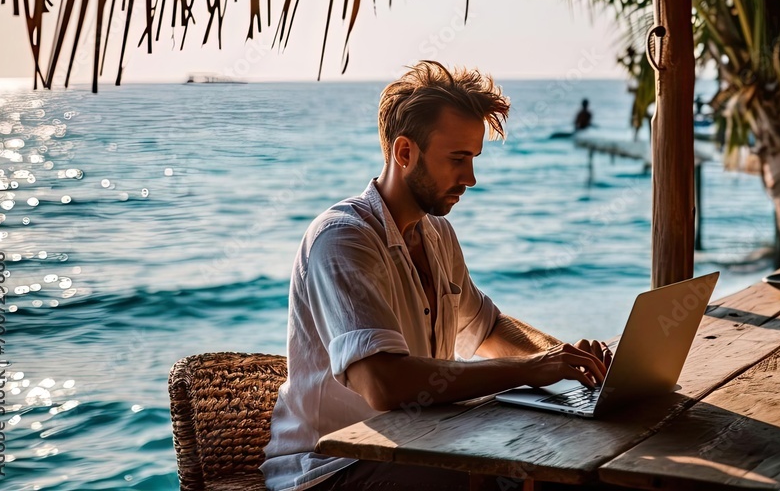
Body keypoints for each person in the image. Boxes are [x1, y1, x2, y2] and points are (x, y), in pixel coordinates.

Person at [260, 61, 613, 491]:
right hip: (332, 468)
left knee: (571, 453)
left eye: (474, 159)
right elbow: (383, 384)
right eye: (457, 159)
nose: (471, 178)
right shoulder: (342, 239)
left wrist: (568, 359)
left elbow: (487, 327)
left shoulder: (436, 232)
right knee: (499, 476)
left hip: (422, 444)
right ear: (405, 152)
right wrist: (529, 370)